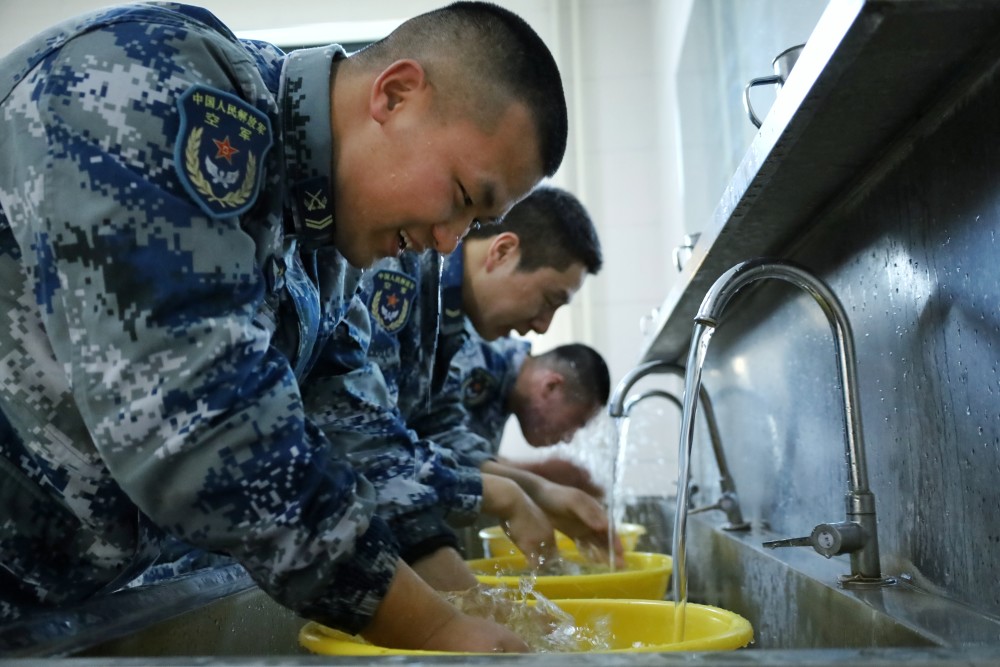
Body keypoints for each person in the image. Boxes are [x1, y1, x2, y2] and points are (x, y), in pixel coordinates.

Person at [0, 1, 568, 654]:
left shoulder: (319, 236)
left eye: (471, 227)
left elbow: (352, 424)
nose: (446, 244)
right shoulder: (150, 81)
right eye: (464, 198)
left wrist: (471, 604)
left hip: (54, 611)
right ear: (396, 94)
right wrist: (436, 628)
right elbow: (201, 425)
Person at [349, 185, 616, 584]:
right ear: (502, 251)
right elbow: (362, 439)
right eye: (548, 300)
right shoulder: (402, 270)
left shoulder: (449, 320)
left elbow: (440, 433)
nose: (542, 326)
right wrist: (503, 495)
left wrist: (539, 490)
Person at [452, 337, 610, 498]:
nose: (568, 438)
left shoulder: (505, 389)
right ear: (551, 386)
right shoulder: (477, 359)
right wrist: (540, 474)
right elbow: (441, 456)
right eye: (576, 422)